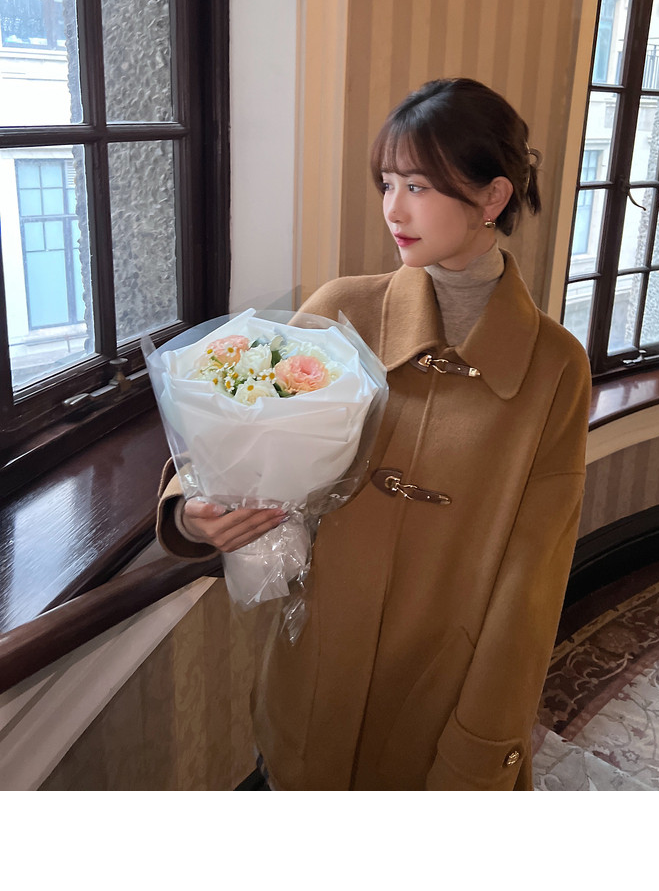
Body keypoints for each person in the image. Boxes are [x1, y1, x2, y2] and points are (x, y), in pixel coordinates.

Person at [156, 77, 591, 790]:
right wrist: (189, 508)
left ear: (493, 196)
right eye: (387, 183)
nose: (393, 208)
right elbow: (240, 417)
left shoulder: (554, 368)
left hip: (443, 689)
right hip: (313, 666)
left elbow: (531, 583)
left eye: (418, 186)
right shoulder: (342, 309)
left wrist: (483, 743)